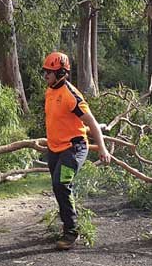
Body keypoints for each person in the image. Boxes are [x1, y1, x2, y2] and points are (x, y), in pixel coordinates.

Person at [42, 52, 112, 250]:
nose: (46, 75)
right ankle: (68, 222)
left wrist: (103, 149)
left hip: (74, 148)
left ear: (61, 73)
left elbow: (90, 122)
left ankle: (71, 231)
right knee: (58, 187)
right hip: (54, 149)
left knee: (61, 183)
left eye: (49, 72)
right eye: (45, 71)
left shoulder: (70, 95)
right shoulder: (50, 91)